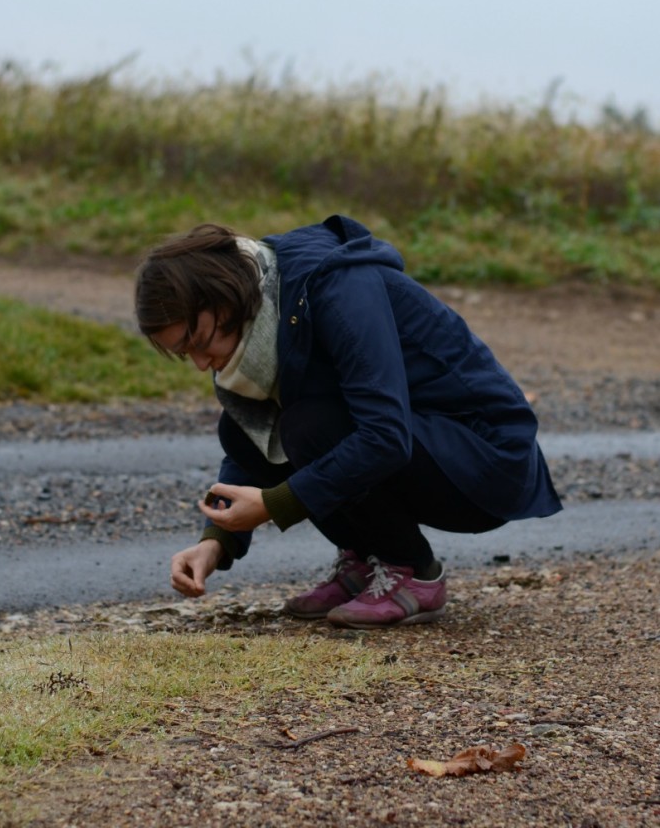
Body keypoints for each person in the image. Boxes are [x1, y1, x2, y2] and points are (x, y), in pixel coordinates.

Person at [135, 214, 561, 629]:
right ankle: (366, 560)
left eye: (197, 341)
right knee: (269, 424)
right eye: (182, 353)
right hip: (425, 445)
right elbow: (249, 437)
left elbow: (385, 437)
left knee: (309, 426)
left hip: (484, 459)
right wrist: (216, 541)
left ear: (223, 295)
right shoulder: (257, 314)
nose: (198, 363)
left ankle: (413, 572)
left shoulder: (336, 286)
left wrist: (274, 505)